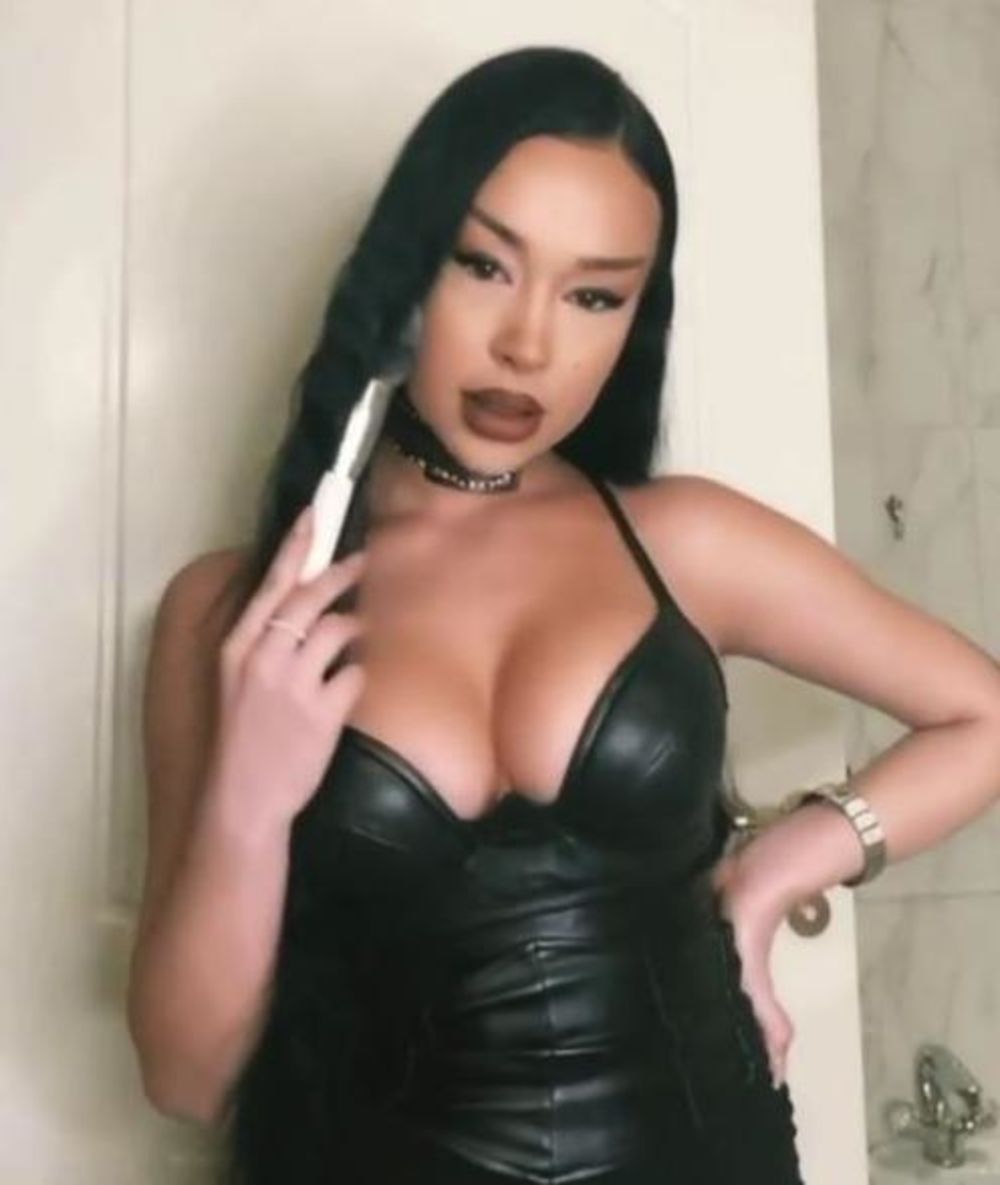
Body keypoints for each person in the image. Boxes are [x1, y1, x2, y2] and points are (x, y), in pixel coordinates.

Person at [126, 46, 1000, 1185]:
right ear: (405, 268)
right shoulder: (230, 615)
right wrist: (247, 804)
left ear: (636, 320)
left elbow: (981, 716)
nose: (528, 343)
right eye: (483, 265)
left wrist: (774, 872)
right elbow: (186, 1079)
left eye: (594, 295)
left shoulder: (685, 543)